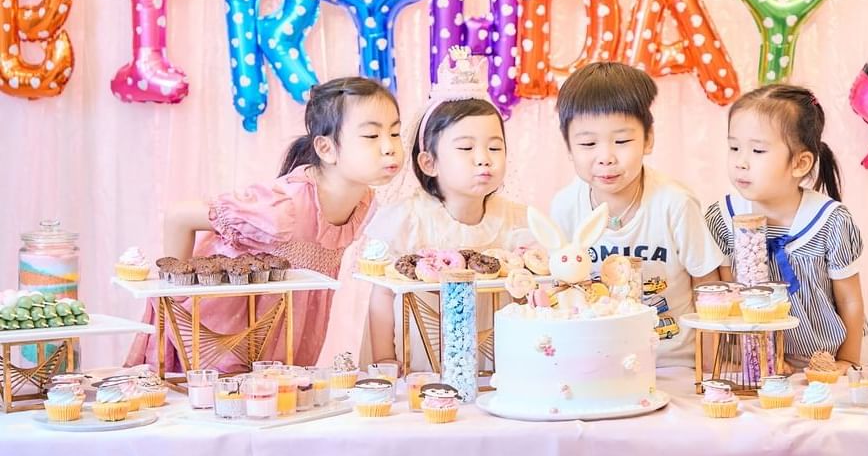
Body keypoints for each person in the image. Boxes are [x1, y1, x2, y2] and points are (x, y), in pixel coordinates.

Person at [125, 77, 402, 371]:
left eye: (395, 133)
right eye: (371, 136)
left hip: (286, 339)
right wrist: (176, 298)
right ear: (325, 148)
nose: (389, 147)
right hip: (217, 338)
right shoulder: (285, 206)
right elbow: (179, 216)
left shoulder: (364, 203)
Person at [350, 47, 530, 371]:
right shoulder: (407, 219)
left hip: (501, 369)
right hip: (419, 368)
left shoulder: (516, 219)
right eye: (465, 147)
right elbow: (381, 298)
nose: (483, 158)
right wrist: (386, 360)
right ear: (428, 162)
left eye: (494, 147)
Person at [549, 62, 724, 368]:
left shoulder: (675, 204)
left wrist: (709, 366)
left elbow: (707, 285)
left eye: (622, 141)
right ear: (568, 147)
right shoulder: (565, 207)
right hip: (594, 362)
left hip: (672, 365)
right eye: (588, 143)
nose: (606, 158)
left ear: (648, 139)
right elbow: (560, 290)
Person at [705, 84, 864, 371]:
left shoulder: (830, 221)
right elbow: (729, 297)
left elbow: (849, 298)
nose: (741, 162)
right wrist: (751, 359)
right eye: (734, 147)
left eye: (757, 150)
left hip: (817, 362)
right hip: (749, 364)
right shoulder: (722, 217)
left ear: (800, 163)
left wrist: (848, 361)